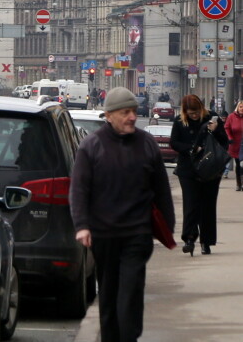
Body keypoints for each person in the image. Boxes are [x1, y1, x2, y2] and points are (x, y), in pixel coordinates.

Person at [70, 87, 175, 342]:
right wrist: (82, 225)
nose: (131, 117)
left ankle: (129, 337)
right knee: (108, 293)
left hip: (137, 233)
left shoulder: (146, 143)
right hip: (103, 235)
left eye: (133, 112)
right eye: (125, 112)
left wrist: (167, 227)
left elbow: (161, 188)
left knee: (130, 292)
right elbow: (79, 189)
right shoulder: (92, 146)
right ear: (109, 115)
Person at [170, 94, 228, 256]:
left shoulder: (212, 119)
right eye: (191, 113)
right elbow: (174, 142)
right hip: (188, 169)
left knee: (207, 205)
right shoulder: (180, 121)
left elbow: (224, 142)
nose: (194, 116)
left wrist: (215, 132)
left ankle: (206, 241)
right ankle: (189, 238)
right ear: (185, 111)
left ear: (201, 108)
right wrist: (191, 148)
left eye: (196, 112)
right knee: (191, 204)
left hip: (210, 169)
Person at [224, 101, 243, 190]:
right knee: (239, 165)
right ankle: (239, 184)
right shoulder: (231, 116)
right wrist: (230, 137)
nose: (242, 108)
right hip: (235, 144)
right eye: (241, 106)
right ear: (238, 107)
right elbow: (227, 128)